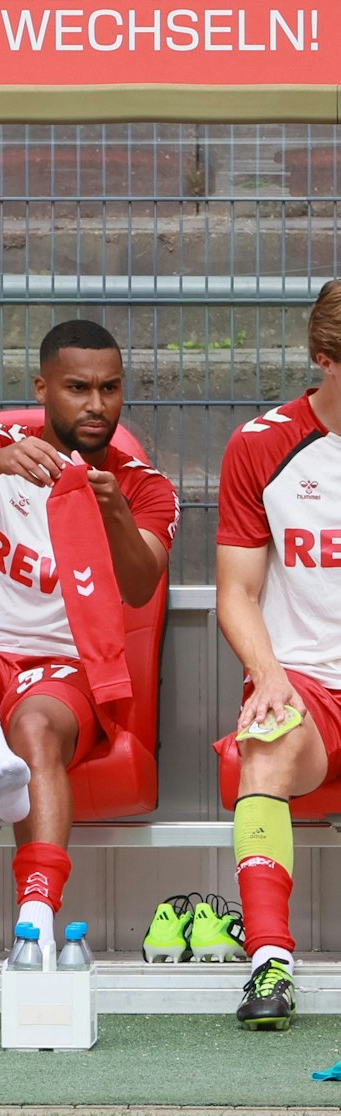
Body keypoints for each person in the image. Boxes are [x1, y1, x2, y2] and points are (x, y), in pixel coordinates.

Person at [0, 320, 176, 959]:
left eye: (110, 388)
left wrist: (113, 516)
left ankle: (36, 921)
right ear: (43, 387)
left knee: (39, 731)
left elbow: (139, 588)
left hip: (63, 674)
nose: (96, 405)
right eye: (77, 387)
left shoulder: (143, 485)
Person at [211, 279, 341, 1031]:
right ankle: (269, 964)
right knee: (261, 749)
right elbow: (236, 590)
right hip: (305, 685)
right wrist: (268, 676)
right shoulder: (262, 444)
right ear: (324, 359)